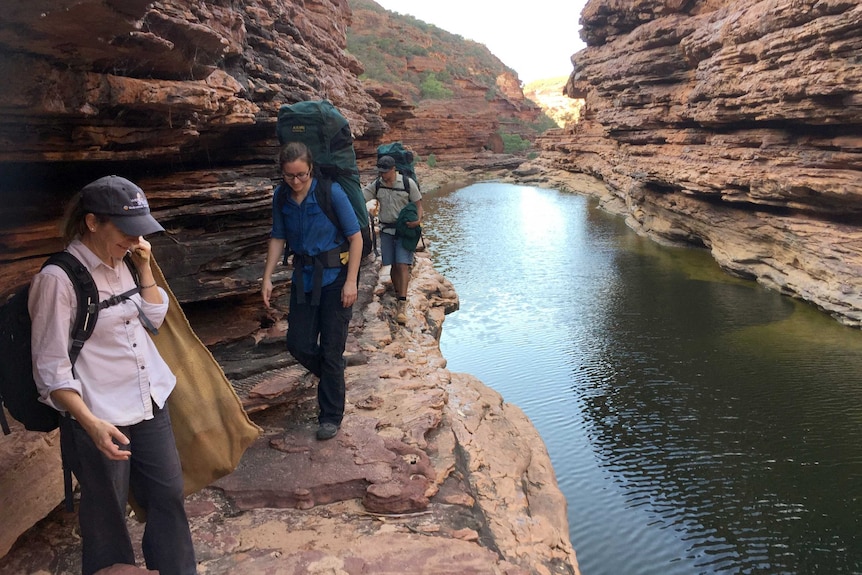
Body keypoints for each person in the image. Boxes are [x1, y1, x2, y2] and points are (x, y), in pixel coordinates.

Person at [29, 176, 197, 575]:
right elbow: (50, 371)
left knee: (167, 497)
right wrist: (90, 424)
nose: (133, 239)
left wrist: (144, 265)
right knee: (107, 516)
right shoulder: (57, 280)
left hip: (147, 402)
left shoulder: (122, 262)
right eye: (126, 231)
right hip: (100, 416)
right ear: (91, 222)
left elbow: (153, 318)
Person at [261, 142, 363, 441]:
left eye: (302, 175)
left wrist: (351, 281)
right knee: (298, 344)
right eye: (290, 176)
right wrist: (266, 277)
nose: (296, 182)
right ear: (282, 173)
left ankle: (330, 416)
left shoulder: (330, 192)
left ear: (311, 169)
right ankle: (334, 378)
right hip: (303, 279)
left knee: (332, 349)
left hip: (335, 279)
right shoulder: (281, 196)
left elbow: (355, 238)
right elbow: (278, 236)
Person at [362, 155, 423, 324]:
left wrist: (418, 221)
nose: (383, 175)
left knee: (403, 264)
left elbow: (418, 205)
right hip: (386, 230)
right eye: (380, 172)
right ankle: (398, 294)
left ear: (393, 169)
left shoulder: (407, 184)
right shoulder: (378, 184)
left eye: (386, 172)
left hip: (404, 230)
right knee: (393, 265)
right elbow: (361, 197)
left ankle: (402, 303)